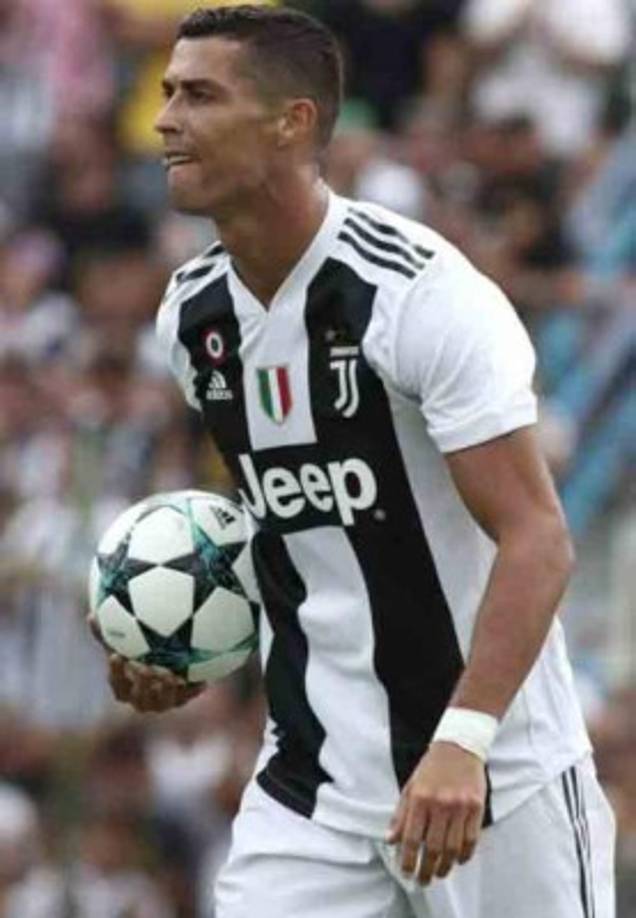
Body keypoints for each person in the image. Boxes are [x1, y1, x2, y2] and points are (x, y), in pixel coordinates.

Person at [91, 6, 616, 917]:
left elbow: (539, 539)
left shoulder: (418, 296)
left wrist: (465, 737)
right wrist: (181, 633)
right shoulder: (191, 318)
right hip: (315, 785)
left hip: (494, 775)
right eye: (169, 91)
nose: (166, 119)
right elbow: (293, 524)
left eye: (199, 95)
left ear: (291, 122)